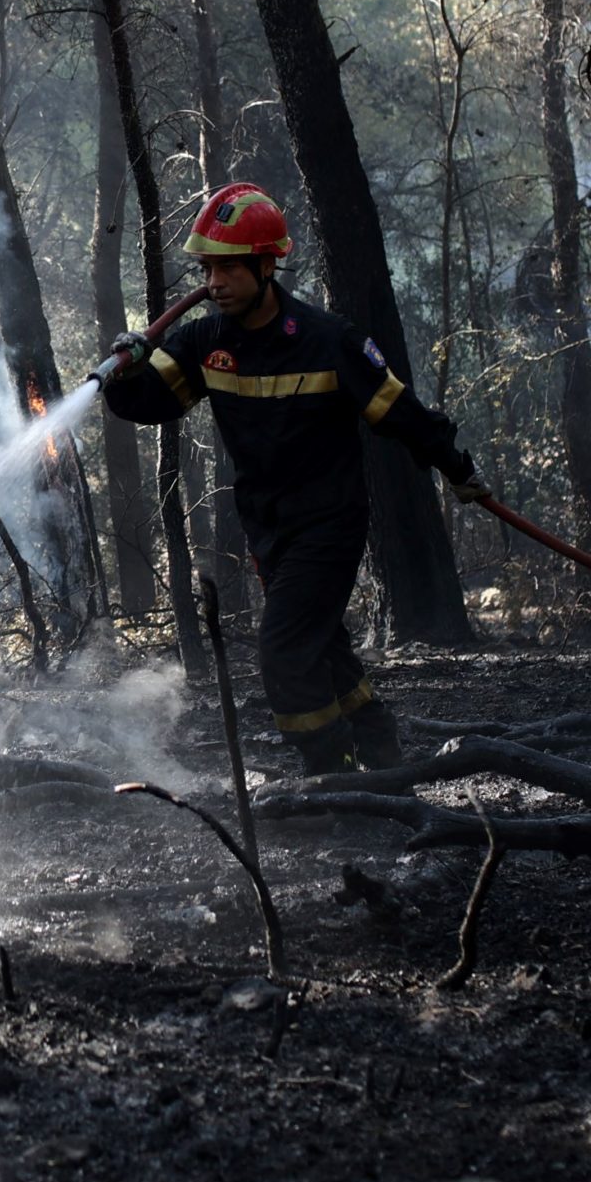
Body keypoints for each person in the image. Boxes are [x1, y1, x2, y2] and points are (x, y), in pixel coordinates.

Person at [101, 183, 489, 775]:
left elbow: (400, 413)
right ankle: (379, 749)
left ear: (265, 264)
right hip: (269, 529)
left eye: (228, 268)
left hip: (328, 525)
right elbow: (151, 402)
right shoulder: (206, 342)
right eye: (207, 269)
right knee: (321, 646)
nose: (214, 283)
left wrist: (458, 470)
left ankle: (331, 775)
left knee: (283, 651)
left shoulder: (329, 341)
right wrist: (126, 373)